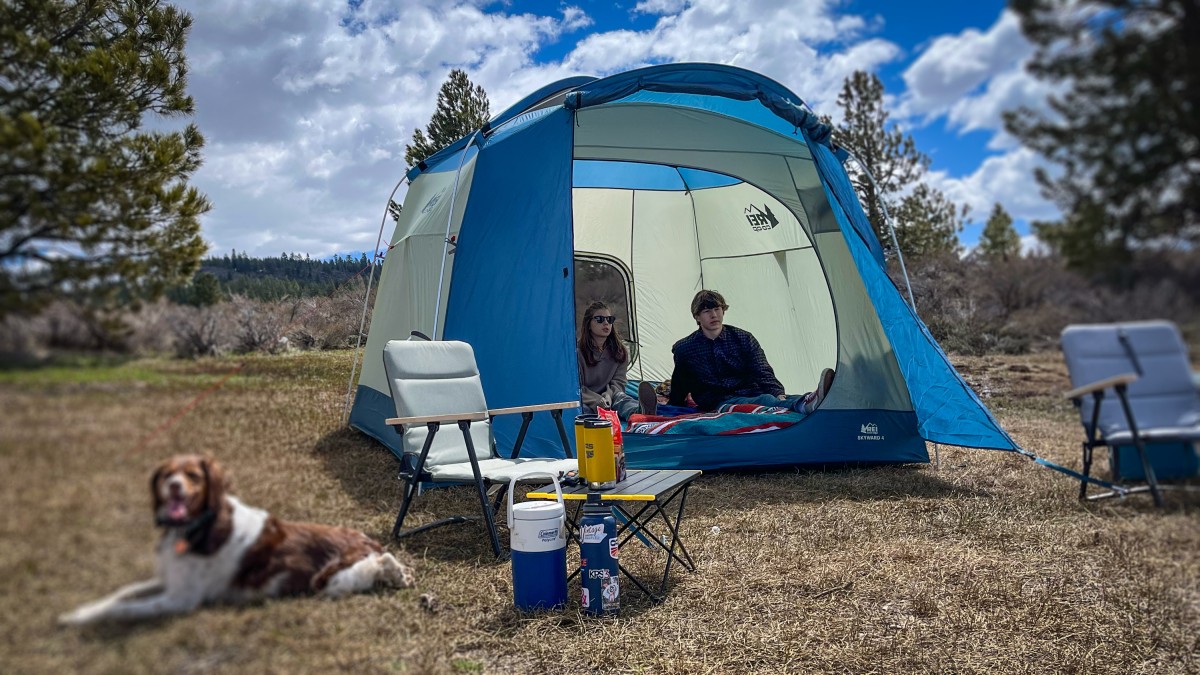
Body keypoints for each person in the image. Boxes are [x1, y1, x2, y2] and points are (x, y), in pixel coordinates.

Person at [667, 289, 834, 414]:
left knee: (777, 398)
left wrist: (778, 392)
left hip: (752, 391)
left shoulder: (742, 338)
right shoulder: (685, 348)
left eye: (717, 309)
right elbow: (680, 383)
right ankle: (805, 403)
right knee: (766, 400)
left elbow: (761, 369)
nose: (714, 315)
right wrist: (673, 406)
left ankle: (815, 400)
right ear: (697, 317)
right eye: (707, 311)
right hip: (718, 401)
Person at [577, 301, 657, 420]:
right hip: (586, 398)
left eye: (609, 319)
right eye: (599, 319)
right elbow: (576, 387)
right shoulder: (578, 353)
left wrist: (608, 395)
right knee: (582, 409)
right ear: (588, 324)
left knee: (622, 399)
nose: (606, 323)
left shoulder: (620, 352)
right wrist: (597, 400)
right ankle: (597, 418)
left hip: (610, 397)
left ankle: (641, 414)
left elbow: (618, 382)